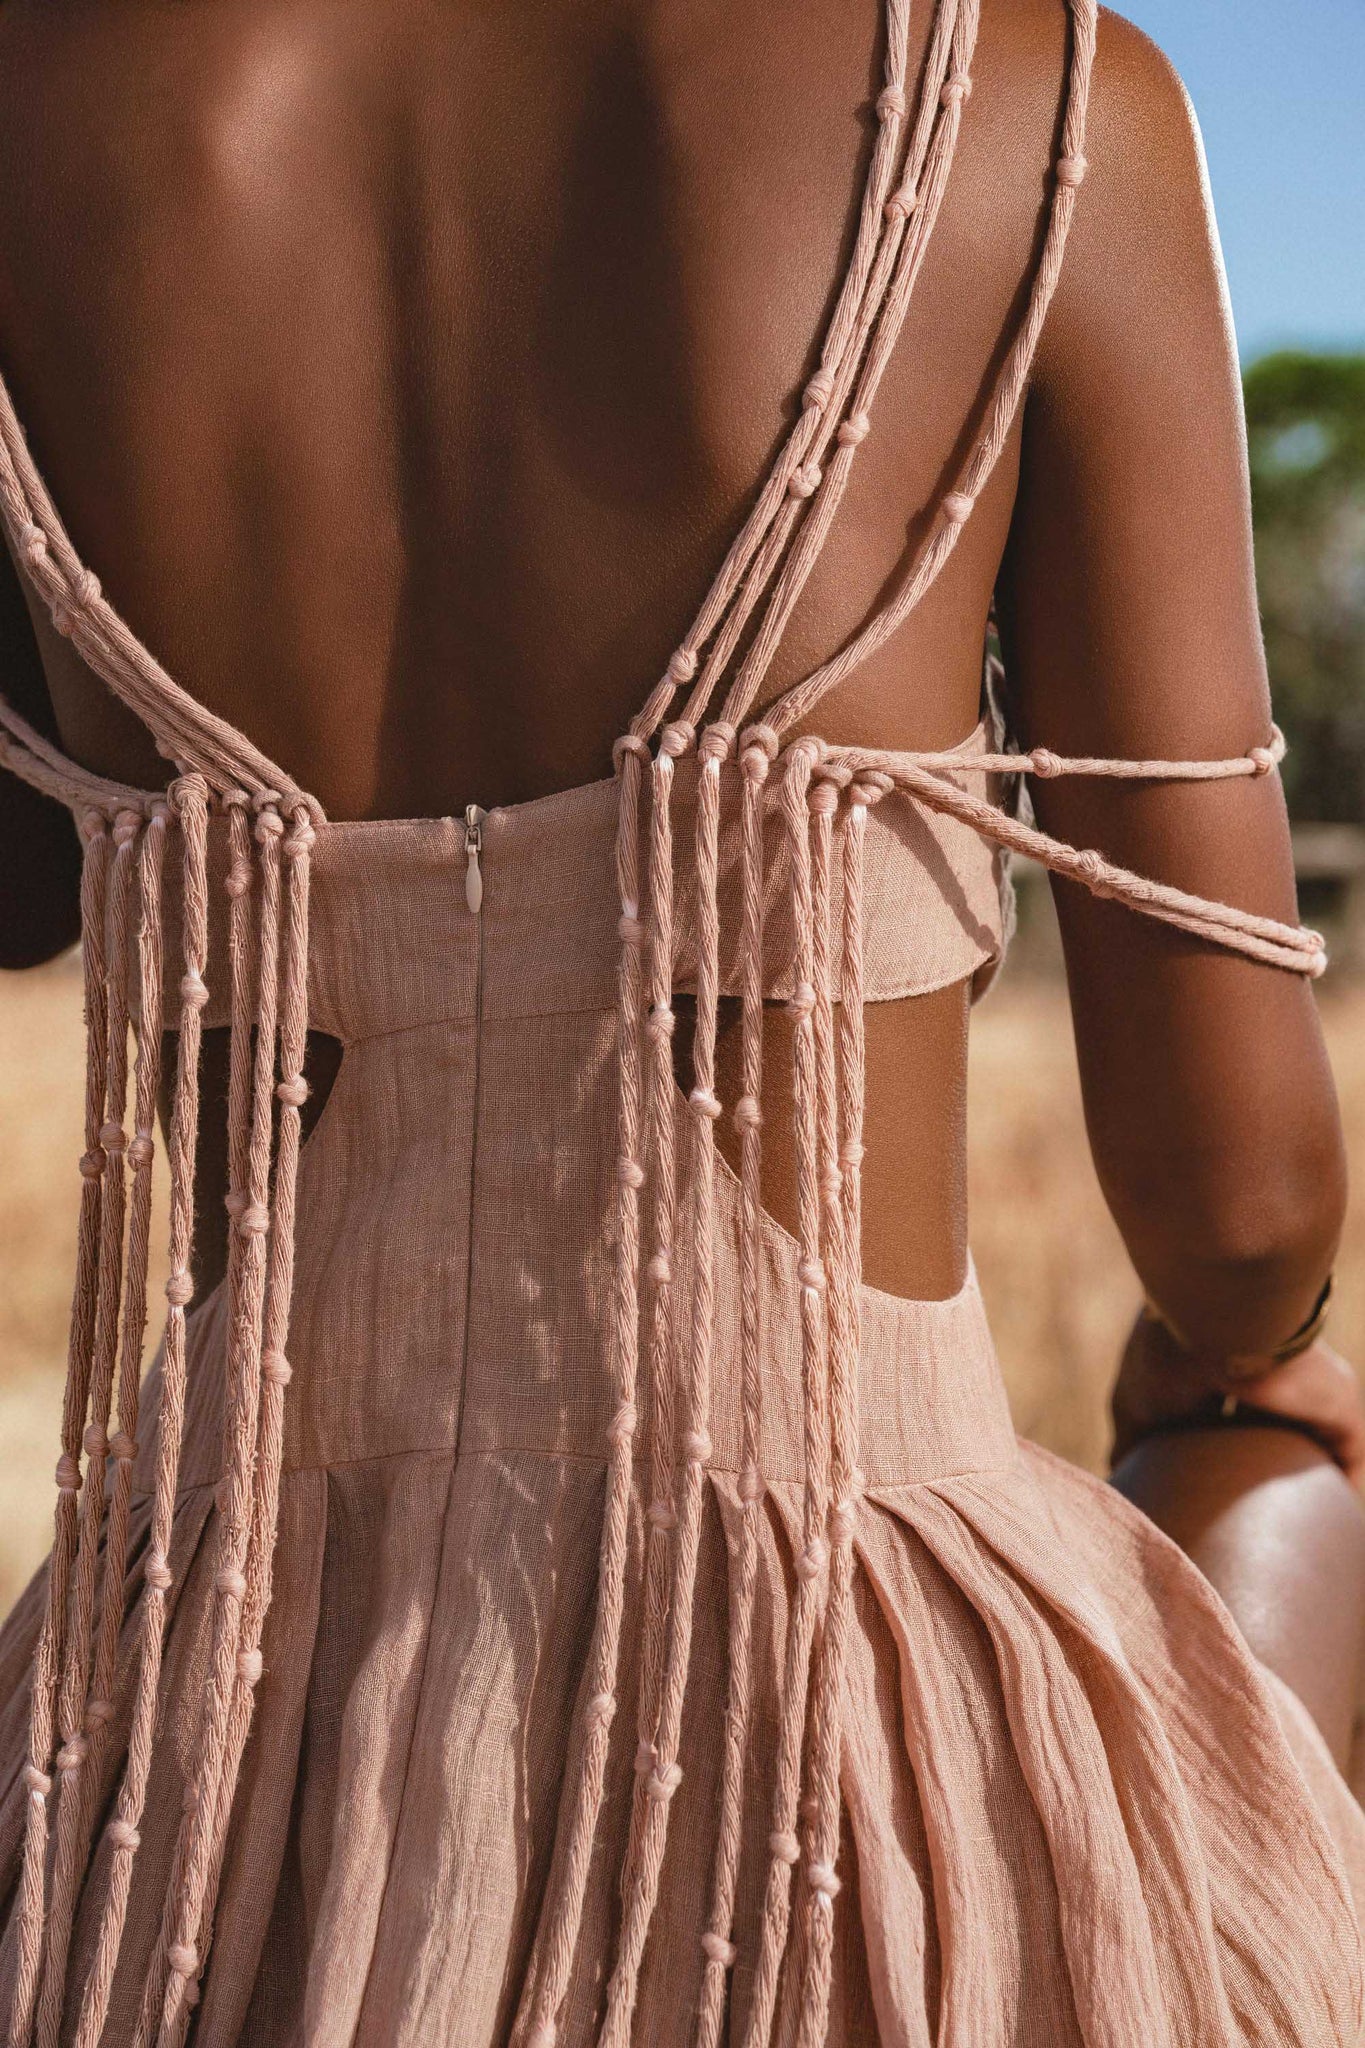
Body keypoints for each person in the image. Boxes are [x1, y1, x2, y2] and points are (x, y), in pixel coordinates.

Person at [0, 0, 1362, 2040]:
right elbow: (1239, 1205)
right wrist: (1240, 1368)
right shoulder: (1021, 93)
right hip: (829, 1752)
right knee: (1274, 1437)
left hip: (195, 1787)